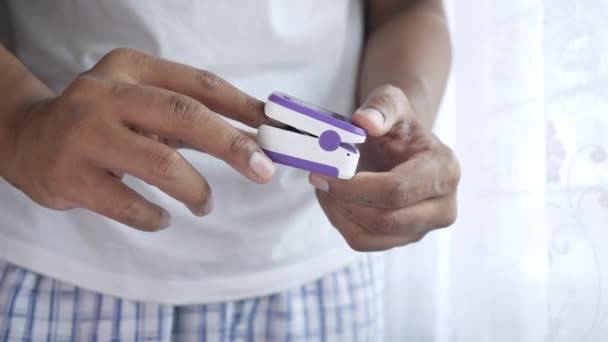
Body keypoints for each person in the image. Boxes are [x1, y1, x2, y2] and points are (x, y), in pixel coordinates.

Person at [0, 0, 459, 340]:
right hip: (55, 252)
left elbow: (407, 9)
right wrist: (18, 123)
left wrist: (400, 121)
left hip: (310, 263)